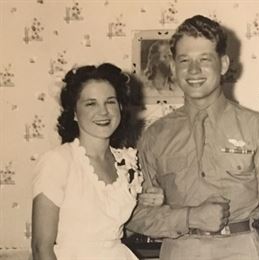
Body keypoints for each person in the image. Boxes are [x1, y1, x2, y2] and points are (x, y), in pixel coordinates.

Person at [127, 15, 259, 260]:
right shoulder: (155, 136)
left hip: (242, 250)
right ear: (173, 68)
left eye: (204, 59)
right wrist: (189, 217)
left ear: (224, 64)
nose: (194, 70)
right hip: (179, 251)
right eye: (185, 61)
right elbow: (135, 216)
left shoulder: (257, 128)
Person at [31, 63, 164, 260]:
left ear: (120, 107)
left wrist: (152, 202)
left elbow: (114, 229)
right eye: (91, 103)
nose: (103, 112)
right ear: (74, 113)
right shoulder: (58, 161)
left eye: (110, 102)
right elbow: (41, 248)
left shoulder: (126, 163)